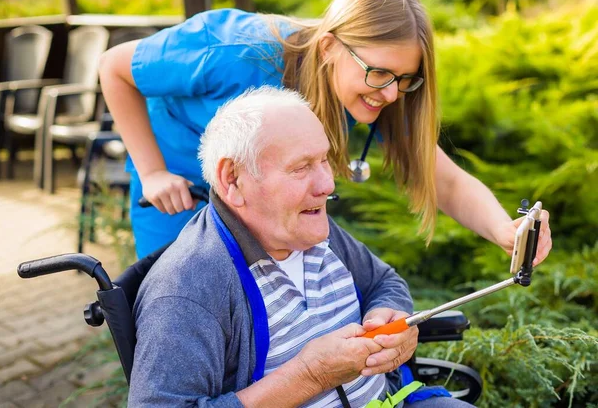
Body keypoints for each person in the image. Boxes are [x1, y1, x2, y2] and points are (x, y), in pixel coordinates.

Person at [99, 0, 552, 260]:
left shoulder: (379, 91)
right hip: (180, 193)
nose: (391, 93)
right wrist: (153, 171)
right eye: (378, 73)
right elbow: (115, 67)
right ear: (330, 47)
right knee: (180, 323)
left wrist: (505, 232)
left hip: (264, 206)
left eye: (405, 79)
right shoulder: (234, 50)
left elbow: (446, 180)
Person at [129, 87, 474, 407]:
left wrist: (390, 322)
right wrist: (309, 377)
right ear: (232, 179)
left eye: (324, 160)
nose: (327, 184)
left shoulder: (306, 225)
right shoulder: (187, 288)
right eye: (301, 167)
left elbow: (385, 283)